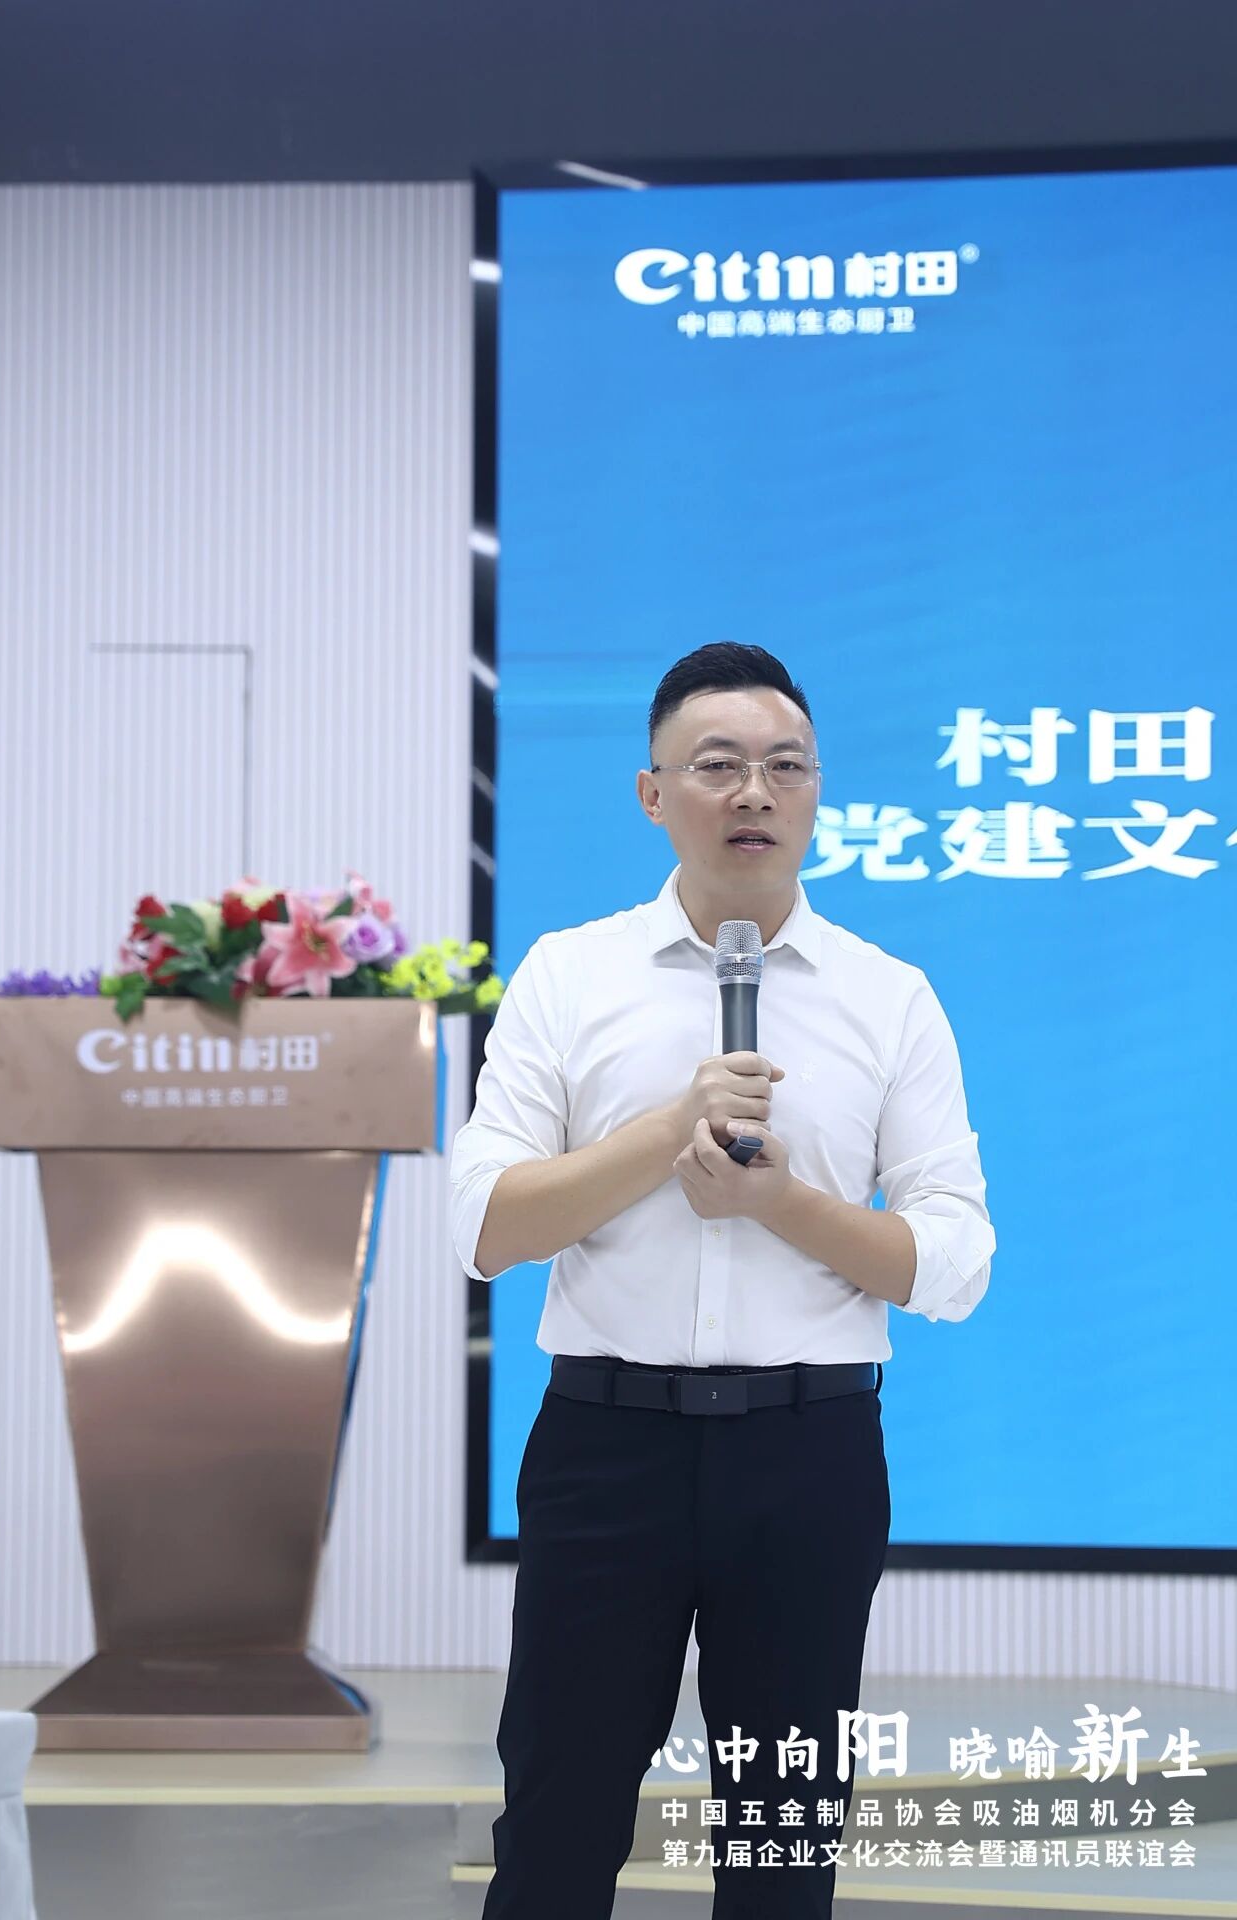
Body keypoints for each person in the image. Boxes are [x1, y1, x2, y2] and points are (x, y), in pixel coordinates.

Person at [449, 641, 995, 1918]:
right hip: (605, 1448)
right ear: (652, 794)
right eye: (717, 765)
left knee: (781, 1845)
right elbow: (483, 1227)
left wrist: (780, 1203)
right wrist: (664, 1131)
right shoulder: (567, 975)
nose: (754, 791)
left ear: (815, 794)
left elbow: (955, 1265)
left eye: (784, 766)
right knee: (557, 1824)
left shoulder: (888, 997)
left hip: (808, 1457)